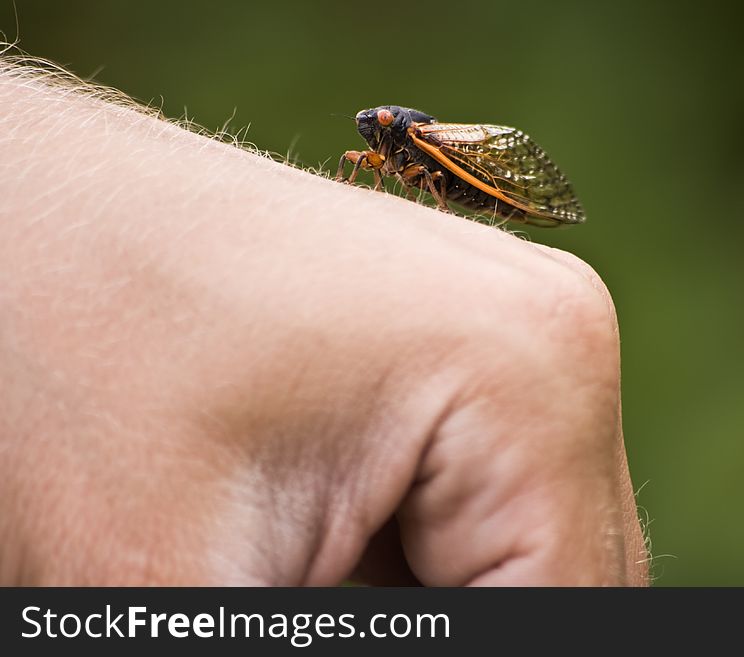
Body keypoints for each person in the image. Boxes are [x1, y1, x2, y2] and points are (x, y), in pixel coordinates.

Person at [0, 59, 648, 586]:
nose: (370, 134)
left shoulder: (418, 144)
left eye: (377, 127)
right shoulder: (374, 155)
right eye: (371, 129)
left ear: (397, 131)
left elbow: (424, 173)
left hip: (459, 166)